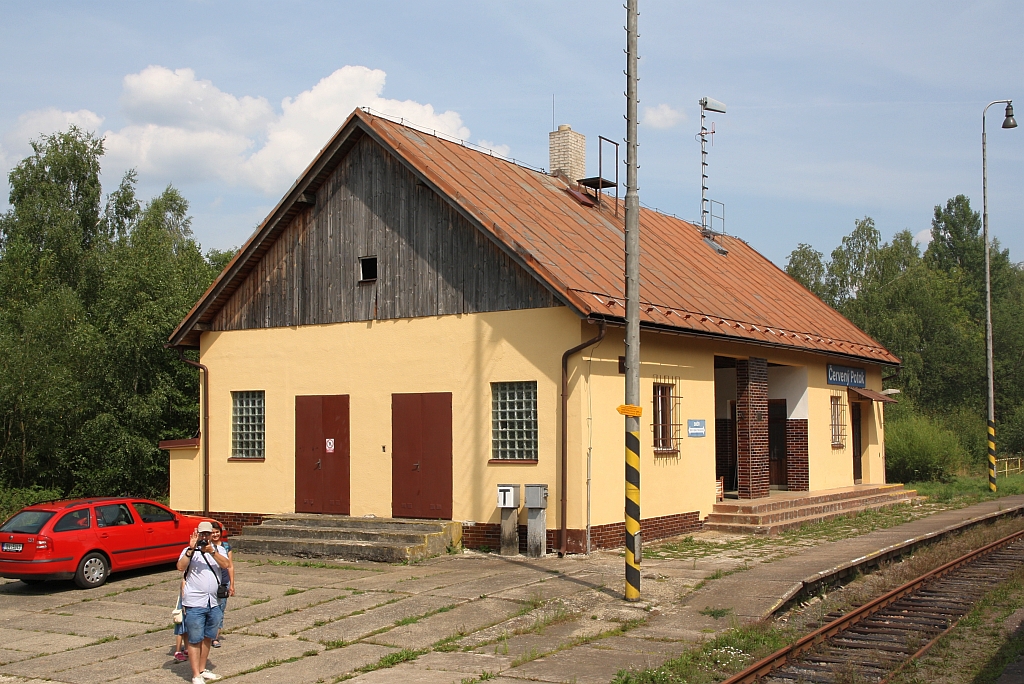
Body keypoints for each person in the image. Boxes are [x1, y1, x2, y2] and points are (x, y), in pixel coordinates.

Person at [176, 521, 231, 684]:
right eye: (203, 534)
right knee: (194, 639)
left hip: (214, 601)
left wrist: (211, 552)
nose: (205, 537)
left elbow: (226, 564)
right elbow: (180, 567)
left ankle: (202, 668)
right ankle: (195, 675)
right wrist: (191, 550)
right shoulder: (189, 551)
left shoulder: (218, 549)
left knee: (208, 637)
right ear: (197, 534)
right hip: (195, 602)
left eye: (208, 534)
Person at [210, 523, 234, 648]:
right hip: (210, 583)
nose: (215, 534)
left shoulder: (226, 546)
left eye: (217, 532)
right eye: (212, 532)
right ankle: (207, 635)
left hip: (223, 583)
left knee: (220, 611)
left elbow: (230, 566)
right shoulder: (206, 547)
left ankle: (215, 637)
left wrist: (232, 584)